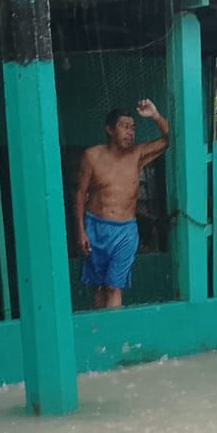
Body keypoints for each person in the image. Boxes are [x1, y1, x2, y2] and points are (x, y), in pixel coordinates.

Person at [74, 100, 170, 309]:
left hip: (125, 230)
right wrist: (81, 232)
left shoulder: (136, 155)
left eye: (133, 128)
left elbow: (168, 139)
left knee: (113, 286)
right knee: (98, 287)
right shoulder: (91, 156)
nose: (130, 132)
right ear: (109, 129)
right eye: (124, 127)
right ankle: (101, 336)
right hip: (95, 227)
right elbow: (80, 194)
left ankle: (114, 338)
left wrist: (155, 115)